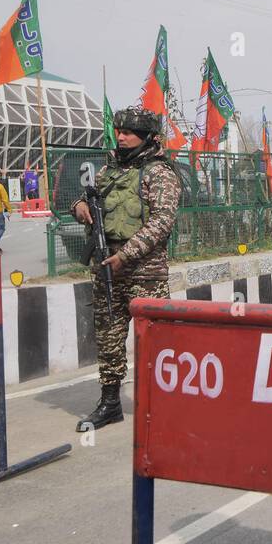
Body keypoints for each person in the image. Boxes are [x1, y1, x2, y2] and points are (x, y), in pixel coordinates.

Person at [69, 107, 180, 432]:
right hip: (106, 268)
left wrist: (127, 255)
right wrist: (79, 207)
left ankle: (162, 405)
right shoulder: (108, 170)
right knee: (108, 337)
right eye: (119, 130)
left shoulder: (160, 173)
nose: (121, 136)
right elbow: (87, 198)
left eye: (129, 132)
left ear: (147, 137)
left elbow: (162, 222)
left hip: (146, 274)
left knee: (155, 342)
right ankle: (110, 402)